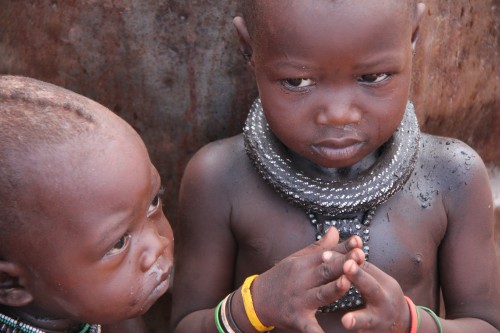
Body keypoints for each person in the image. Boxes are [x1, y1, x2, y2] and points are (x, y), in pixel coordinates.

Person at [170, 0, 500, 332]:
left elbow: (486, 324)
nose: (339, 113)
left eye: (372, 76)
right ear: (248, 46)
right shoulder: (218, 179)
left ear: (412, 35)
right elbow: (185, 326)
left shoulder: (452, 176)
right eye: (297, 82)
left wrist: (410, 324)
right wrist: (253, 307)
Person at [0, 75, 174, 333]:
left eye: (153, 203)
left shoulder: (112, 306)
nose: (157, 245)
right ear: (11, 285)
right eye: (118, 244)